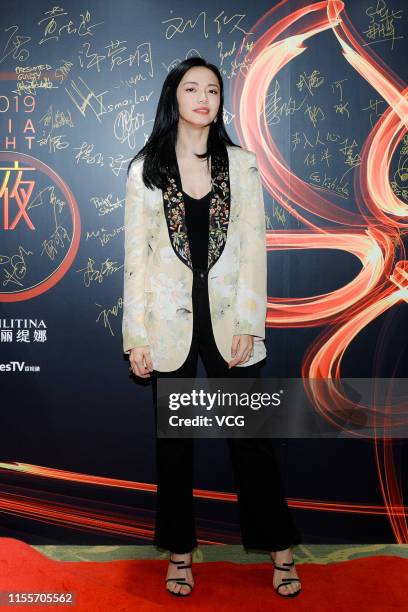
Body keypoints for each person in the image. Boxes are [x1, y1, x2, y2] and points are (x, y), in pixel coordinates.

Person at [122, 57, 302, 598]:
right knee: (174, 447)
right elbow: (137, 257)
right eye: (192, 88)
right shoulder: (145, 169)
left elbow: (254, 251)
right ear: (173, 96)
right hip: (167, 325)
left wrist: (251, 320)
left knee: (250, 441)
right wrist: (136, 335)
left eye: (213, 90)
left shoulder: (242, 166)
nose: (203, 98)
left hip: (231, 324)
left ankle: (282, 550)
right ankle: (180, 554)